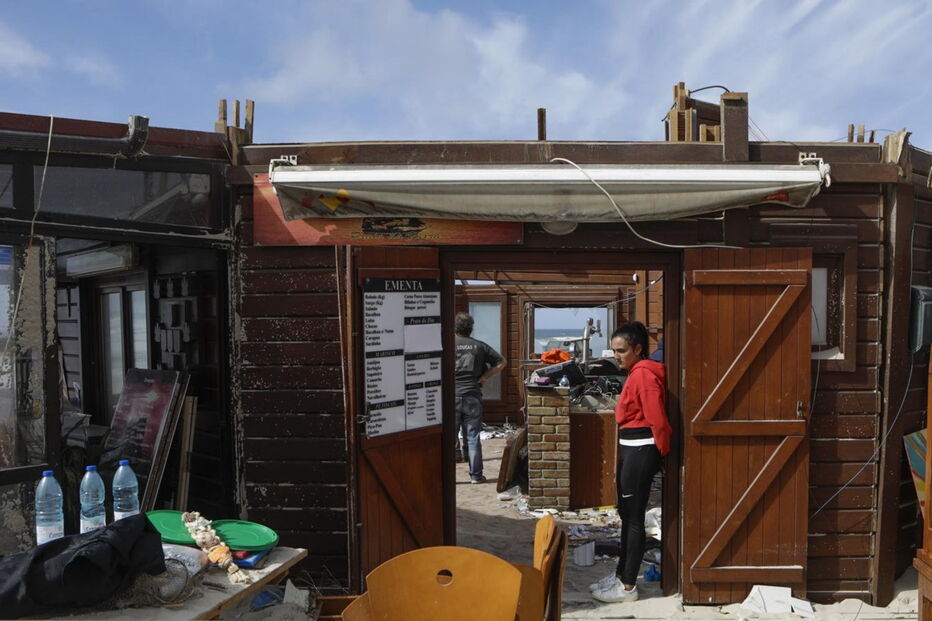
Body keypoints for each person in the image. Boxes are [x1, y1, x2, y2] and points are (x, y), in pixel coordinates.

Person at [591, 321, 671, 604]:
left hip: (641, 449)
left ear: (638, 349)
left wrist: (663, 454)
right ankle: (620, 574)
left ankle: (627, 587)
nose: (617, 356)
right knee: (626, 515)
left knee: (634, 519)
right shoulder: (636, 372)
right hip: (632, 447)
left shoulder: (644, 376)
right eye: (614, 351)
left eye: (622, 351)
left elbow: (658, 419)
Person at [454, 312, 506, 484]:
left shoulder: (448, 345)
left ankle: (448, 477)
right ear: (471, 328)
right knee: (472, 436)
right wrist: (484, 377)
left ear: (455, 328)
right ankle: (476, 476)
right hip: (472, 396)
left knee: (450, 437)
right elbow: (501, 362)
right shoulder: (479, 346)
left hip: (452, 397)